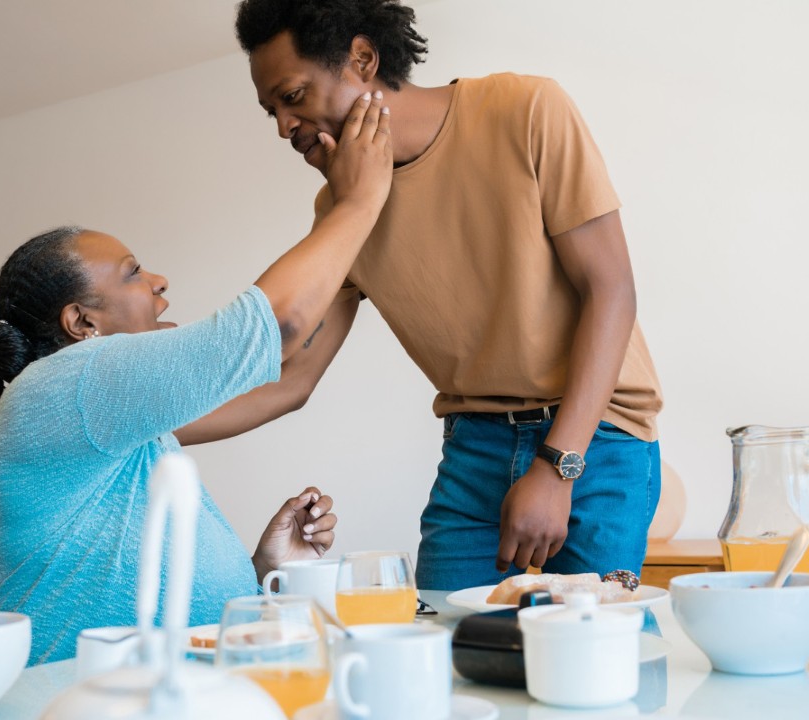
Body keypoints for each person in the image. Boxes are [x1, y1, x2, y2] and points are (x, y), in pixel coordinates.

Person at [233, 0, 663, 591]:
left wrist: (558, 468)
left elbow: (611, 290)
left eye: (294, 96)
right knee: (445, 654)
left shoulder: (526, 108)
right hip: (474, 447)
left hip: (597, 437)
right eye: (271, 112)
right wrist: (149, 429)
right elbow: (291, 376)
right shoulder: (342, 208)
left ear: (361, 59)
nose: (285, 126)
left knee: (586, 661)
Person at [0, 91, 392, 664]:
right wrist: (359, 201)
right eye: (133, 273)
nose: (159, 280)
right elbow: (280, 324)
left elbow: (288, 384)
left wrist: (261, 570)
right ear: (81, 323)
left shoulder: (117, 423)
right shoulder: (68, 386)